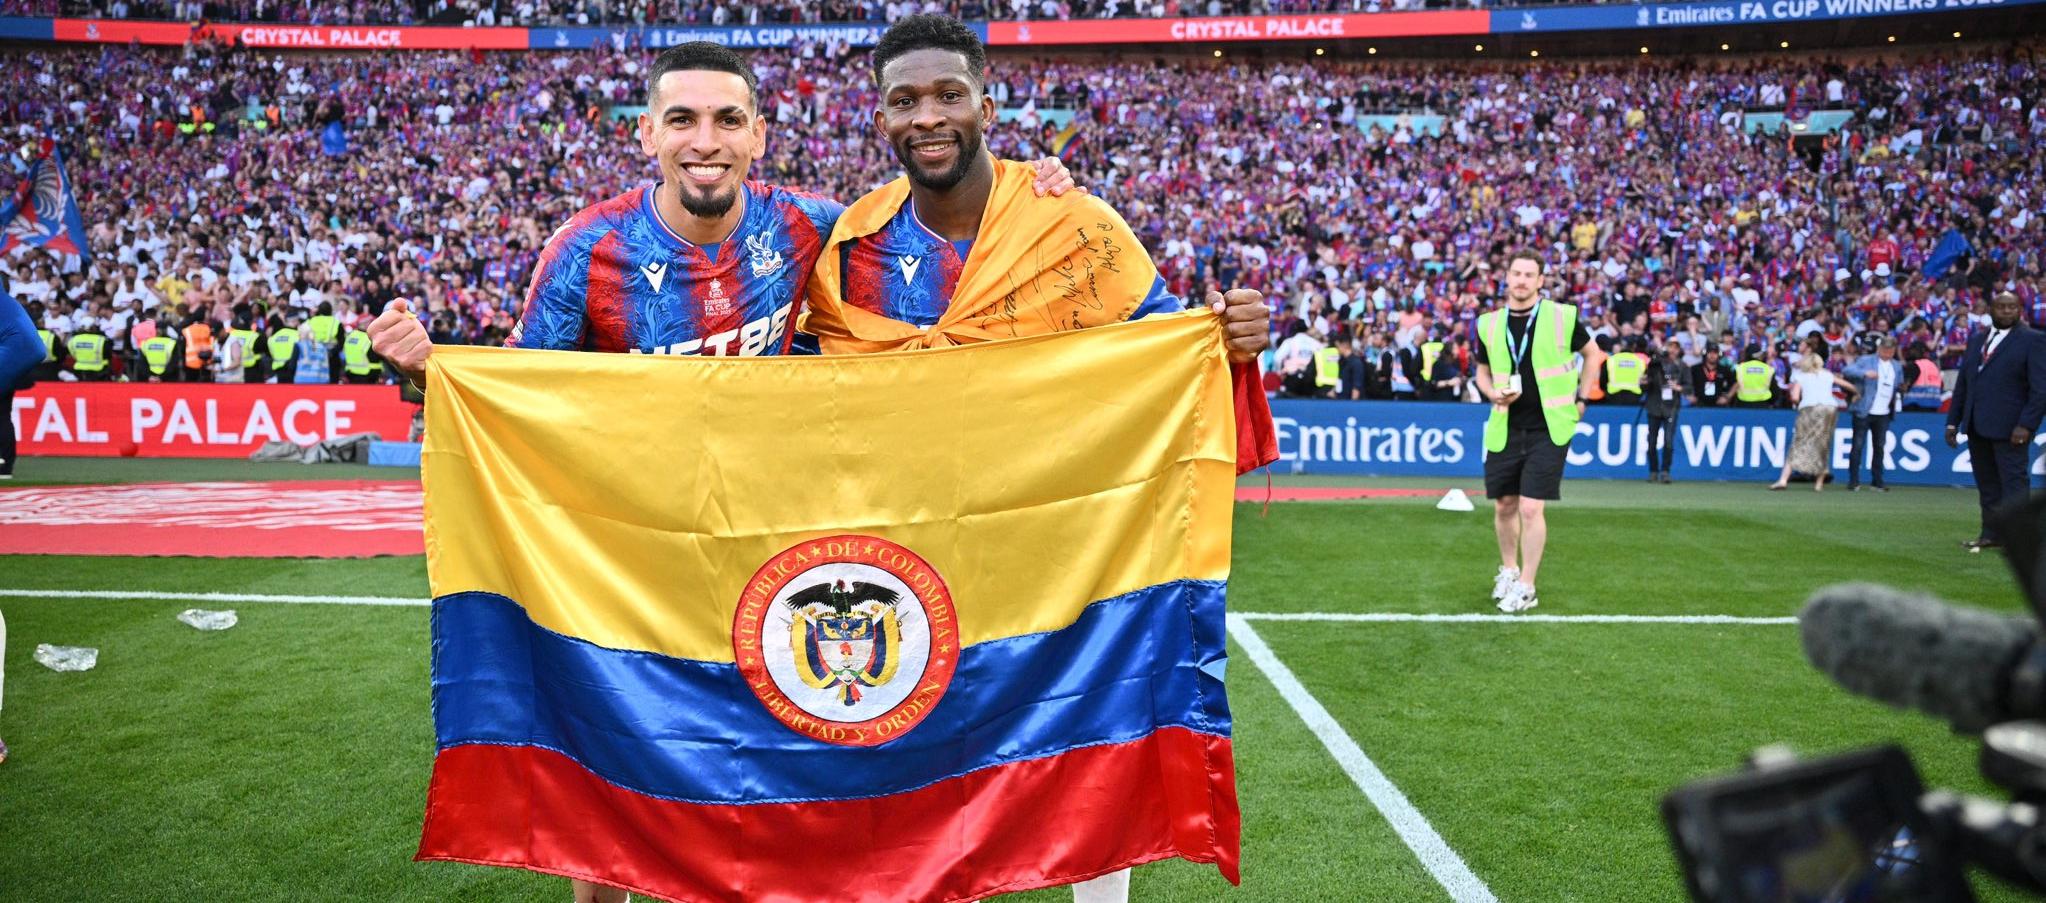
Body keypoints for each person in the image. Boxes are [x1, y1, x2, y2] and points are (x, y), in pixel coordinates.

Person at [367, 41, 1074, 903]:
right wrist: (424, 369)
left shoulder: (815, 228)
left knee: (790, 762)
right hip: (641, 548)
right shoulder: (587, 250)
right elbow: (514, 390)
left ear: (758, 135)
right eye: (683, 119)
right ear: (647, 135)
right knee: (614, 769)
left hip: (764, 537)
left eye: (727, 119)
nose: (705, 140)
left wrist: (1037, 196)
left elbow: (946, 234)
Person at [798, 17, 1270, 902]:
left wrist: (1229, 337)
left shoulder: (1074, 224)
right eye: (905, 100)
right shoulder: (850, 247)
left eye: (949, 95)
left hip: (1053, 537)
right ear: (880, 117)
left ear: (987, 106)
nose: (928, 117)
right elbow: (799, 388)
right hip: (912, 538)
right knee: (909, 762)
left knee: (1089, 726)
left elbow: (1166, 347)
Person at [1472, 251, 1601, 614]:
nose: (1522, 280)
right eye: (1516, 273)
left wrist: (1582, 399)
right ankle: (1509, 571)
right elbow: (1481, 370)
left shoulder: (1562, 316)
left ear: (1541, 281)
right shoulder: (1489, 324)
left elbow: (1593, 354)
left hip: (1549, 426)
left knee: (1530, 507)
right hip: (1505, 424)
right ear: (1507, 277)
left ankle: (1527, 586)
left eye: (1529, 275)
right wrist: (1491, 392)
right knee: (1504, 505)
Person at [1946, 291, 2046, 551]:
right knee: (1988, 485)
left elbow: (2040, 389)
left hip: (2012, 428)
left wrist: (2027, 424)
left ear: (2020, 310)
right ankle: (1990, 534)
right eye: (2002, 307)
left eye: (2012, 307)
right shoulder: (1976, 340)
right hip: (1977, 426)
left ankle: (2019, 539)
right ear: (1991, 309)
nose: (2007, 311)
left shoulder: (2033, 340)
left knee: (2014, 485)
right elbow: (1964, 385)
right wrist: (1953, 422)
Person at [1770, 337, 1858, 492]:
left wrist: (1798, 403)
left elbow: (1795, 396)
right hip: (1829, 409)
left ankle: (1783, 479)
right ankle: (1819, 483)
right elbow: (1850, 386)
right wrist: (1856, 395)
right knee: (1823, 445)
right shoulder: (1828, 375)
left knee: (1799, 443)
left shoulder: (1802, 376)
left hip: (1810, 409)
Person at [1843, 334, 1906, 492]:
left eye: (1891, 351)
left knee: (1879, 447)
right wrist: (1864, 373)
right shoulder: (1866, 360)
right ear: (1879, 349)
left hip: (1884, 412)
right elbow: (1847, 370)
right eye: (1885, 350)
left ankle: (1877, 481)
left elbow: (1899, 383)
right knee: (1857, 446)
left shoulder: (1896, 366)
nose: (1888, 353)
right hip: (1864, 410)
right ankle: (1854, 480)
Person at [1643, 339, 1693, 483]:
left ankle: (1665, 471)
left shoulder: (1683, 366)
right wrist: (1644, 382)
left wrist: (1678, 387)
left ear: (1679, 350)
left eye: (1675, 347)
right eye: (1670, 346)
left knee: (1668, 440)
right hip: (1654, 404)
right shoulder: (1655, 364)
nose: (1672, 350)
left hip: (1671, 406)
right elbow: (1647, 384)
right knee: (1651, 440)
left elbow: (1689, 387)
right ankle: (1653, 471)